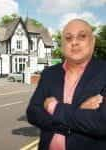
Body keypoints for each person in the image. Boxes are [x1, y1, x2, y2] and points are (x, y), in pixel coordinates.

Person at [26, 18, 106, 150]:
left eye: (82, 36)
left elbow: (101, 122)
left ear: (93, 41)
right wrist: (79, 111)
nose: (74, 42)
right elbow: (33, 112)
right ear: (62, 44)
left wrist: (54, 107)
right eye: (68, 38)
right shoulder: (49, 74)